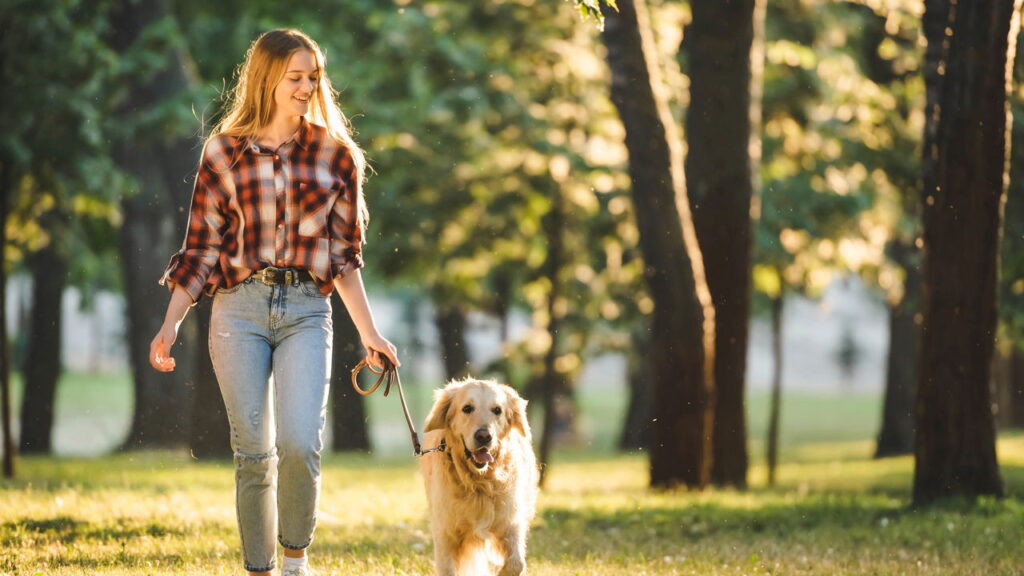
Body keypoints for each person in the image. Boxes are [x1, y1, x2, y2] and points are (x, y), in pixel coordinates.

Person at [148, 28, 399, 576]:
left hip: (307, 310)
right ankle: (259, 569)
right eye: (296, 77)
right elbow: (201, 249)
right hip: (237, 310)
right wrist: (171, 324)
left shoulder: (336, 157)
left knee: (300, 443)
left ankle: (294, 559)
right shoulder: (224, 152)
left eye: (314, 77)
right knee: (253, 451)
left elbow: (344, 259)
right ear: (267, 79)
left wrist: (371, 335)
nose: (308, 87)